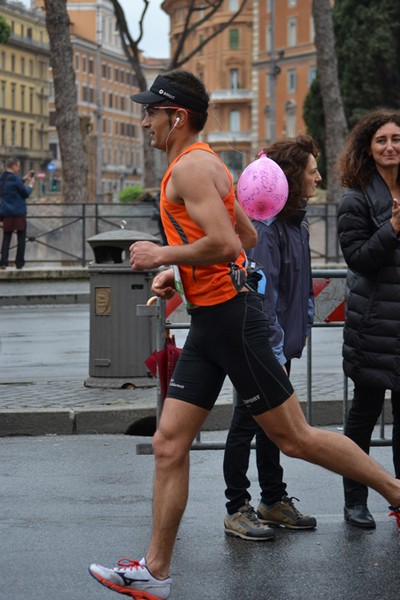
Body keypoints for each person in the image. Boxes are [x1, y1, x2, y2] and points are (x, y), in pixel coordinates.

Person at [88, 71, 400, 600]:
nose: (145, 121)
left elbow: (222, 242)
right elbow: (248, 237)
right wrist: (181, 276)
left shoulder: (190, 169)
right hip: (211, 322)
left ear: (176, 116)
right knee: (168, 443)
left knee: (293, 437)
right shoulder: (203, 164)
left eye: (151, 112)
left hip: (235, 320)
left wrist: (162, 254)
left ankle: (395, 491)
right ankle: (155, 571)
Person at [223, 136, 321, 541]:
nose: (318, 176)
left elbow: (297, 288)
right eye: (313, 170)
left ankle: (273, 500)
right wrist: (274, 350)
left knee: (272, 427)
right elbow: (263, 295)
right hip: (262, 346)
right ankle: (237, 507)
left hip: (280, 346)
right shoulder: (264, 227)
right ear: (294, 178)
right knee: (246, 424)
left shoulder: (295, 222)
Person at [337, 108, 400, 529]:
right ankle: (355, 500)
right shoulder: (356, 198)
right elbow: (358, 259)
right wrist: (392, 227)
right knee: (363, 417)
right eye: (382, 140)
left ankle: (399, 501)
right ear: (368, 148)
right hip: (374, 327)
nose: (391, 147)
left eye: (397, 139)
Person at [0, 157, 34, 270]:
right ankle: (19, 263)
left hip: (6, 213)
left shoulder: (2, 177)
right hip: (18, 213)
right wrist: (31, 185)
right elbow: (25, 194)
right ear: (14, 166)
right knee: (21, 238)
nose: (19, 168)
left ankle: (3, 262)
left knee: (6, 238)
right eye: (18, 166)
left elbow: (12, 186)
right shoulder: (16, 179)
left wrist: (23, 179)